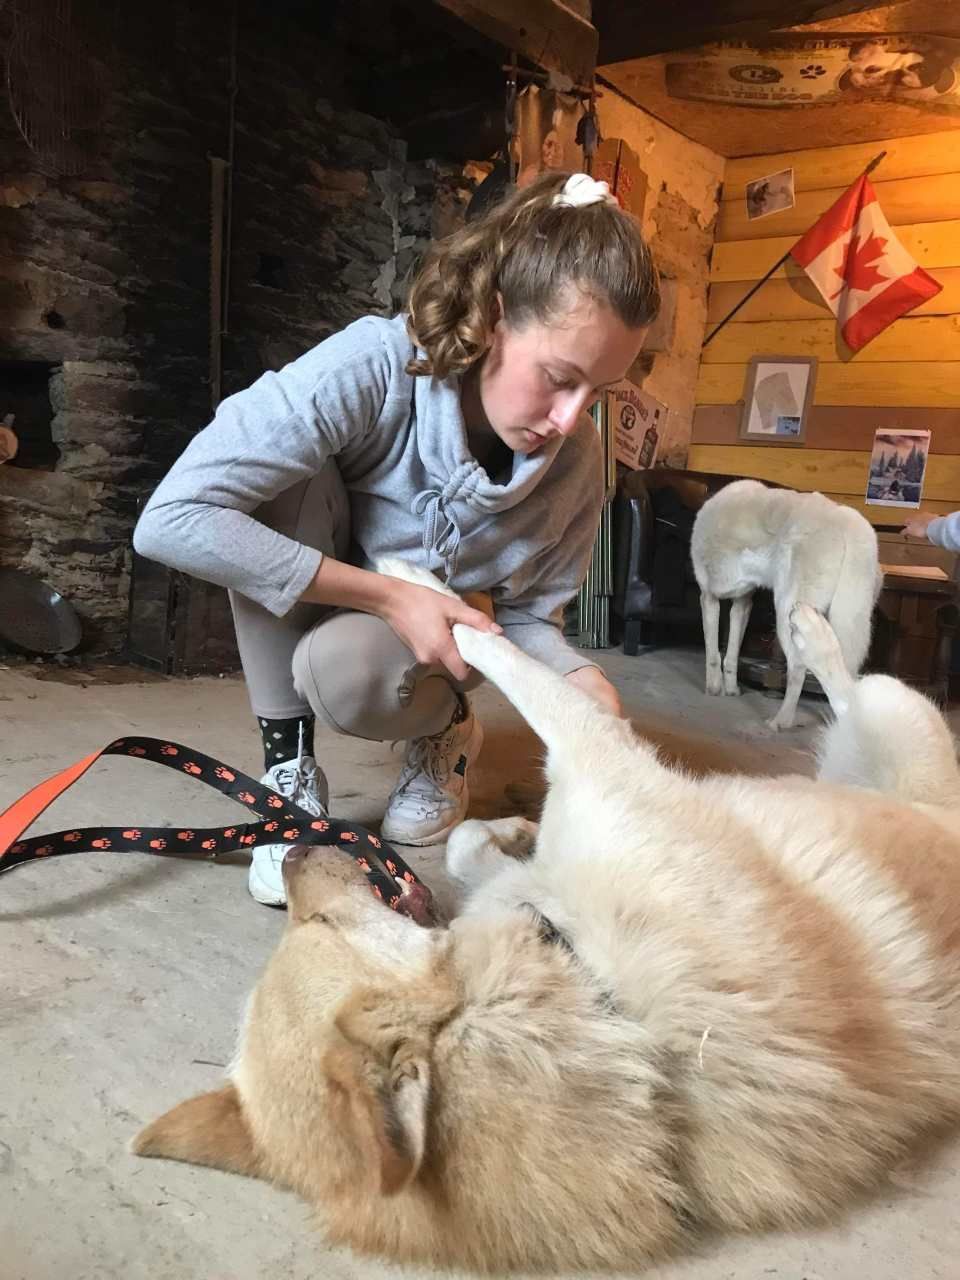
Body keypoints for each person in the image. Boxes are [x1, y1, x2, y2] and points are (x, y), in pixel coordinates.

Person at [133, 170, 659, 908]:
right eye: (558, 378)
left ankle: (445, 729)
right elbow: (174, 517)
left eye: (596, 395)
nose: (570, 421)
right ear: (495, 315)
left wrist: (578, 684)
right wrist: (387, 593)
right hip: (345, 580)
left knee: (347, 675)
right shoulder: (374, 364)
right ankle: (288, 776)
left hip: (413, 646)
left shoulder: (576, 464)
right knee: (264, 483)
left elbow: (532, 620)